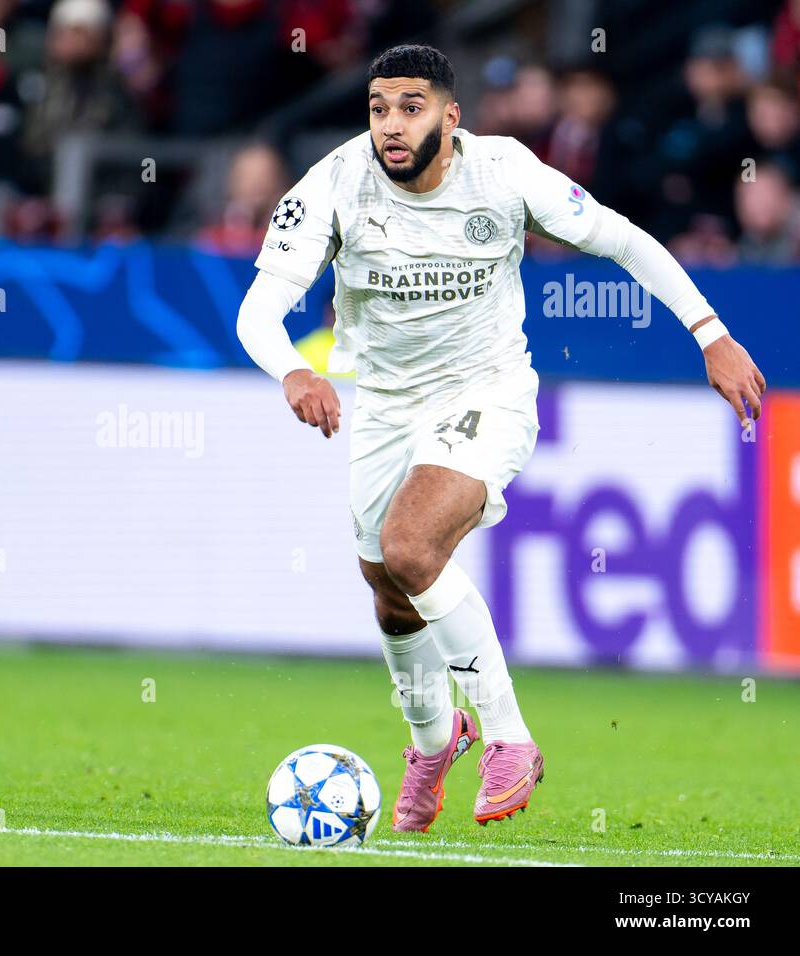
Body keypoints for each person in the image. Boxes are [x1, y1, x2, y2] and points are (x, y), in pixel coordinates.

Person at [236, 45, 766, 831]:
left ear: (450, 118)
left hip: (486, 390)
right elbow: (258, 309)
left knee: (412, 546)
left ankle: (510, 739)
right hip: (384, 403)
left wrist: (710, 332)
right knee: (386, 585)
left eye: (410, 106)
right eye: (379, 107)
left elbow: (623, 239)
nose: (389, 123)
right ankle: (432, 740)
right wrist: (292, 372)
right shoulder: (331, 185)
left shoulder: (506, 171)